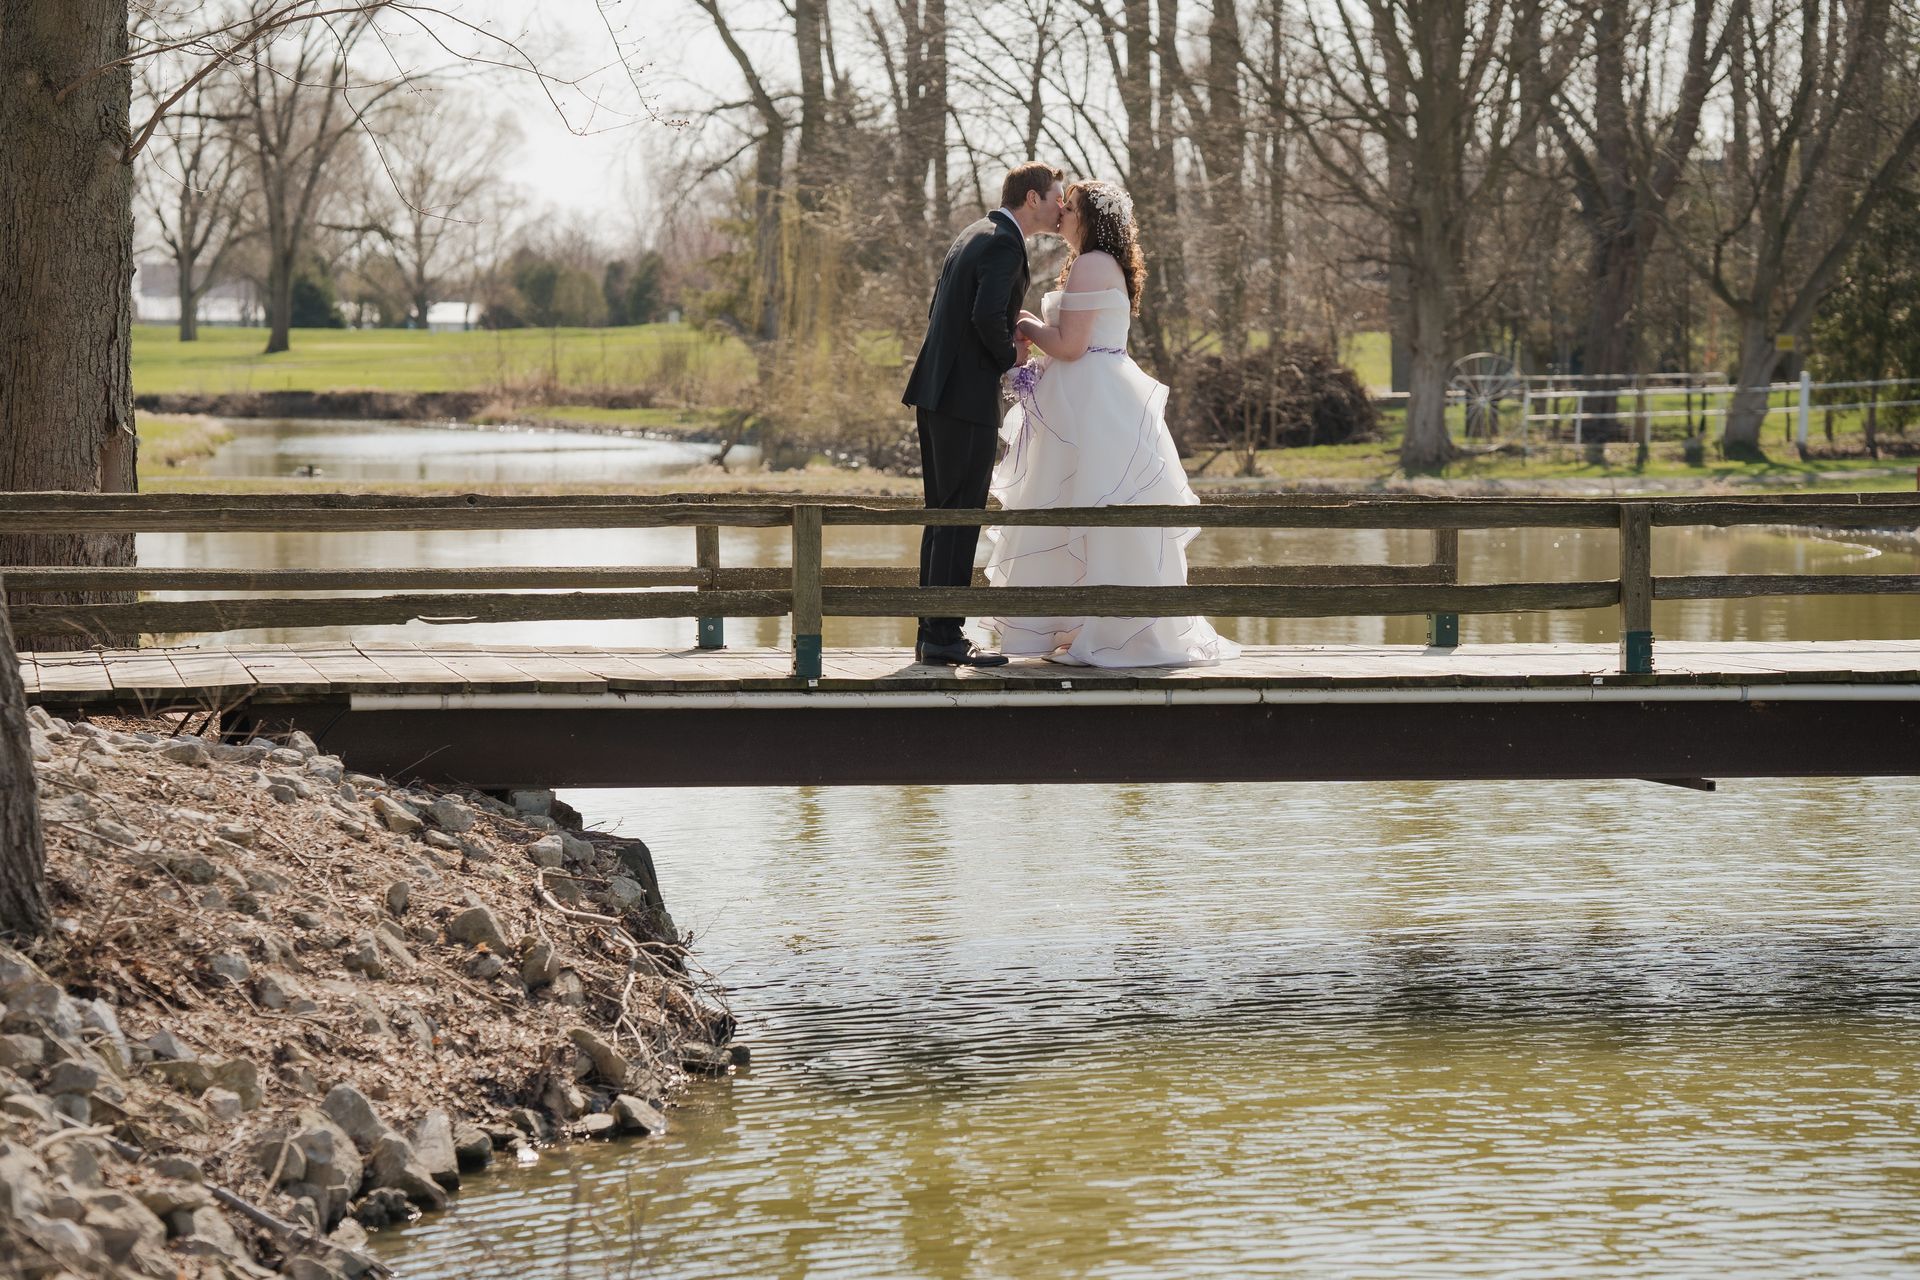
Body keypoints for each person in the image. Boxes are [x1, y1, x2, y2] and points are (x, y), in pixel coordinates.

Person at [979, 180, 1241, 668]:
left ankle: (1112, 630)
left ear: (1091, 218)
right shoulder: (1095, 263)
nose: (1061, 214)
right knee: (1080, 508)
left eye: (1071, 208)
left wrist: (1027, 323)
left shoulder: (1094, 263)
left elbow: (1073, 345)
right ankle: (1079, 624)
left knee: (1095, 508)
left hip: (1093, 402)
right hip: (1086, 394)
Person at [901, 162, 1065, 666]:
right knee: (960, 515)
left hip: (938, 393)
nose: (1062, 205)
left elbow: (950, 312)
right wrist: (1012, 356)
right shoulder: (1004, 243)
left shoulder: (974, 232)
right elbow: (984, 317)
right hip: (963, 399)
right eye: (1057, 196)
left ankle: (935, 633)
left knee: (943, 515)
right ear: (1032, 198)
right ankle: (945, 636)